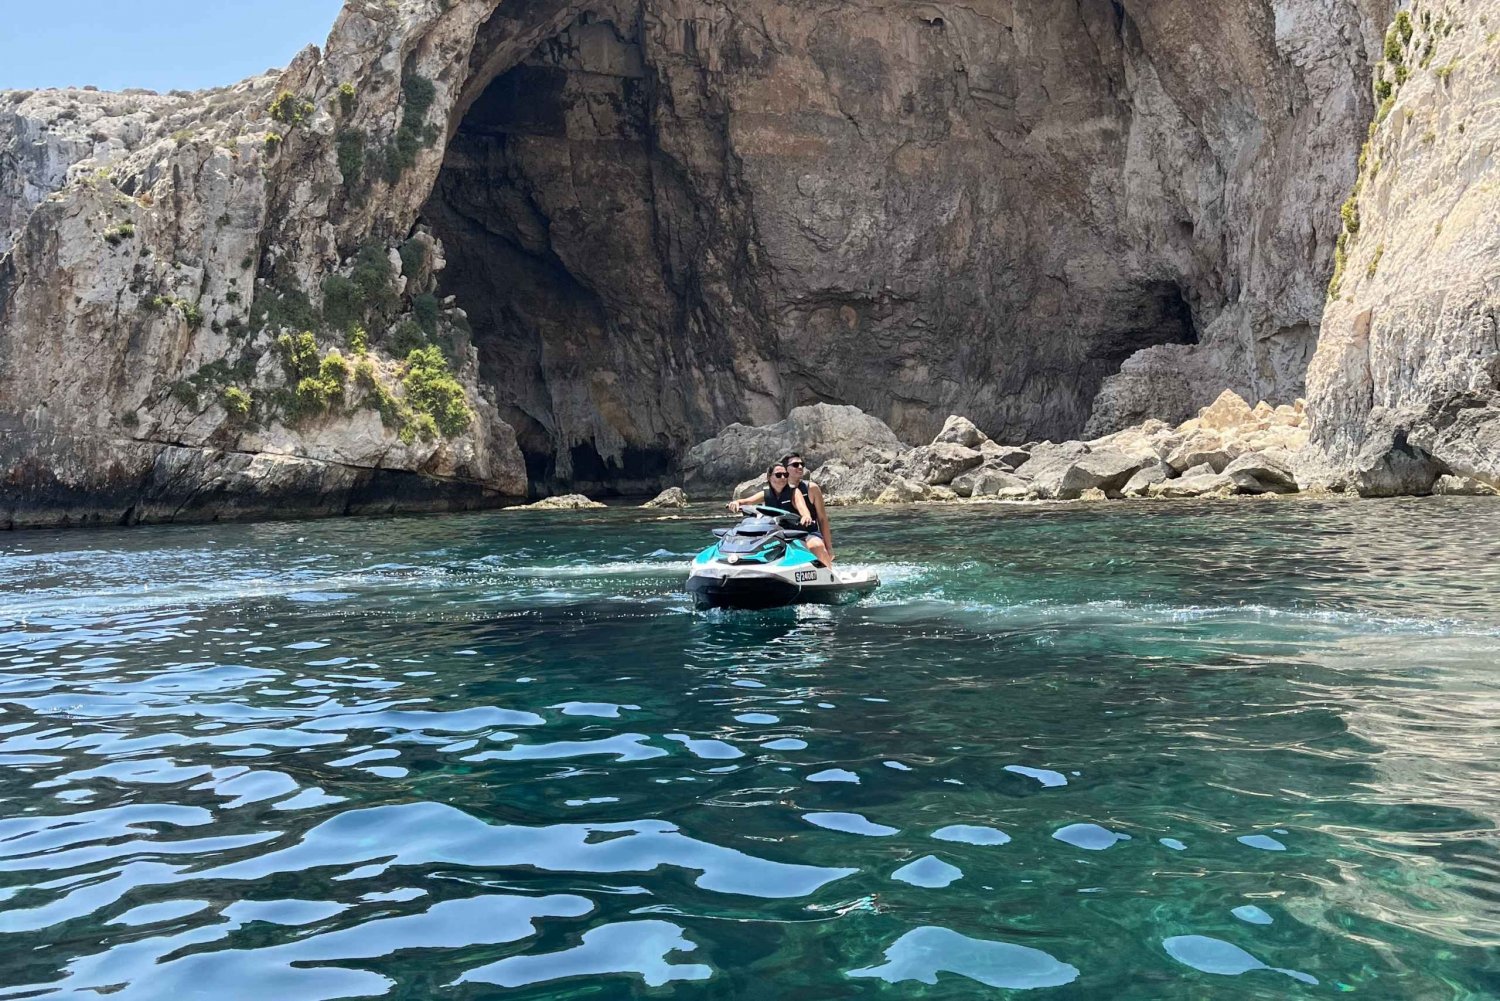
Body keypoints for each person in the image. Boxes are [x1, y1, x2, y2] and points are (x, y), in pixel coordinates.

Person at [782, 451, 835, 566]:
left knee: (816, 546)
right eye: (795, 465)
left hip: (809, 533)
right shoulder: (779, 491)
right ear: (786, 469)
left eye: (802, 464)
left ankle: (829, 573)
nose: (800, 467)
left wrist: (829, 547)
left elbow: (822, 519)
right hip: (785, 535)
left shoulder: (812, 488)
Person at [727, 463, 815, 527]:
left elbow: (803, 509)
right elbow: (747, 501)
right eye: (778, 475)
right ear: (769, 477)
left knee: (816, 545)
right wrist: (736, 503)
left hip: (796, 532)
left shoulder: (795, 492)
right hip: (775, 532)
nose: (783, 477)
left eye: (785, 474)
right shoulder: (765, 494)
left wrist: (806, 516)